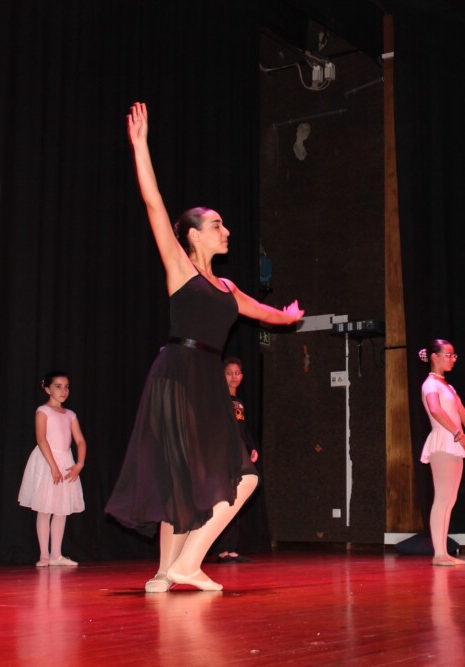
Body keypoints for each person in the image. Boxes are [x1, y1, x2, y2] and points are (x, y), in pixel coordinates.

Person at [105, 102, 304, 592]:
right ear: (192, 234)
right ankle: (187, 564)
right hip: (177, 372)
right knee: (241, 478)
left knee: (185, 479)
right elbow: (154, 204)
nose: (226, 230)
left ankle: (162, 573)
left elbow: (265, 312)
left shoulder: (228, 288)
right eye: (216, 225)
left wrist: (290, 316)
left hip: (205, 379)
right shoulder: (180, 268)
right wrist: (140, 147)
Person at [419, 339, 465, 566]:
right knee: (443, 498)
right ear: (434, 356)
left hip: (453, 441)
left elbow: (464, 415)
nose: (452, 359)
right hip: (444, 440)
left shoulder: (448, 386)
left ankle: (443, 552)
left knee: (449, 499)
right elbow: (436, 410)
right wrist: (460, 435)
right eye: (448, 354)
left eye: (454, 355)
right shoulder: (430, 384)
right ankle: (439, 553)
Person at [18, 371, 87, 566]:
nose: (63, 390)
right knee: (45, 508)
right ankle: (44, 555)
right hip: (47, 461)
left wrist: (79, 464)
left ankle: (56, 554)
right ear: (47, 389)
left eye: (66, 387)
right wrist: (54, 467)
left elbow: (80, 441)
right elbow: (41, 439)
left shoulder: (70, 415)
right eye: (58, 386)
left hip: (66, 462)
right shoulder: (43, 411)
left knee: (61, 509)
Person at [211, 357, 265, 564]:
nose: (234, 376)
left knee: (237, 500)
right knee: (224, 501)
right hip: (224, 457)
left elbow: (244, 429)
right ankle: (221, 549)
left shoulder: (239, 402)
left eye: (237, 373)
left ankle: (231, 548)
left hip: (240, 457)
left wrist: (252, 448)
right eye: (229, 373)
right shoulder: (219, 400)